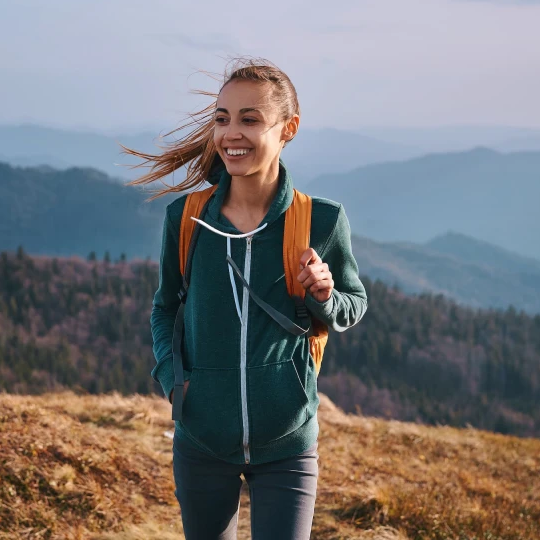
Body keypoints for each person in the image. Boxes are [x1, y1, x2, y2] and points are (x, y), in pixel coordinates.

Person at [123, 58, 369, 540]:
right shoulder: (187, 219)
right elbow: (165, 307)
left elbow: (351, 305)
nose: (231, 133)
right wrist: (175, 381)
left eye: (249, 119)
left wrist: (324, 294)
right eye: (223, 118)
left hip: (288, 443)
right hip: (201, 440)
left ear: (288, 128)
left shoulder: (321, 221)